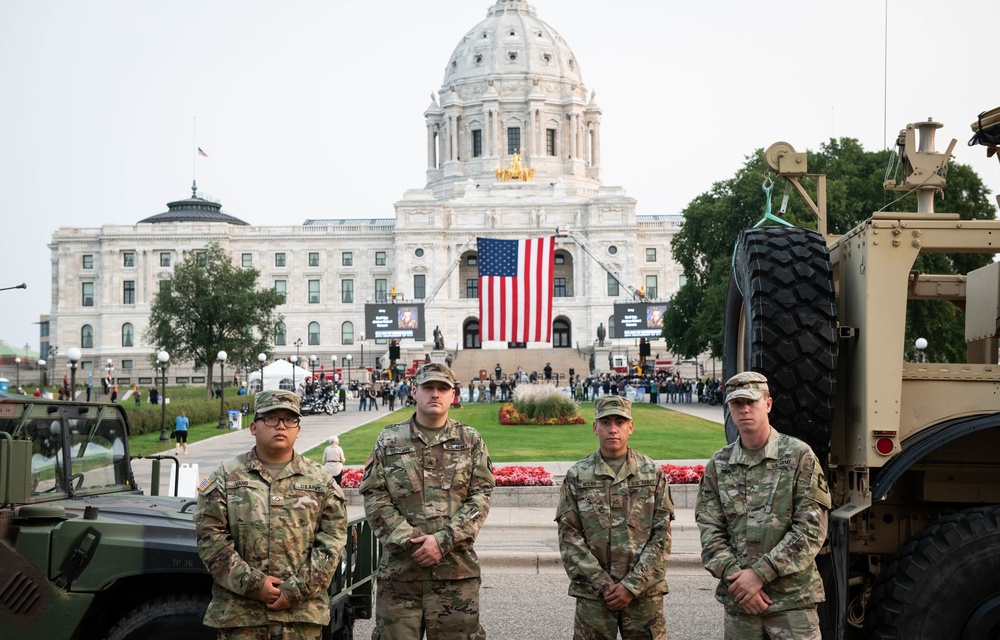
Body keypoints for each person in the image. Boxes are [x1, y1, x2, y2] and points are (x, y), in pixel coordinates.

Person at [194, 390, 348, 639]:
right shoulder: (226, 476)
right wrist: (254, 584)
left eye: (290, 420)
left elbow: (333, 541)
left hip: (300, 617)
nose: (281, 426)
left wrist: (295, 590)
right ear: (254, 427)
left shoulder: (320, 480)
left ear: (298, 429)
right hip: (241, 617)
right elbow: (211, 540)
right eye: (271, 418)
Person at [359, 363, 494, 639]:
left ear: (452, 395)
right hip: (400, 576)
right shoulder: (389, 439)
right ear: (414, 392)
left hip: (455, 575)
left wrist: (442, 541)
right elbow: (374, 496)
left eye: (442, 388)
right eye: (428, 387)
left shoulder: (470, 440)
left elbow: (481, 496)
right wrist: (412, 541)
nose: (435, 394)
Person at [695, 372, 831, 640]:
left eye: (751, 402)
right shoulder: (719, 464)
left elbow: (811, 530)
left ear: (767, 404)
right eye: (736, 403)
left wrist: (758, 575)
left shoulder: (798, 456)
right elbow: (710, 530)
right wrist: (739, 580)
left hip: (791, 602)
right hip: (741, 604)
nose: (744, 409)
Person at [556, 396, 674, 640]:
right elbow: (569, 536)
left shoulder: (652, 473)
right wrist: (603, 585)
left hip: (643, 595)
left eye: (620, 422)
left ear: (630, 427)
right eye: (606, 422)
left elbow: (661, 535)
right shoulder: (578, 475)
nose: (613, 429)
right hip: (595, 596)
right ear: (595, 427)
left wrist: (631, 585)